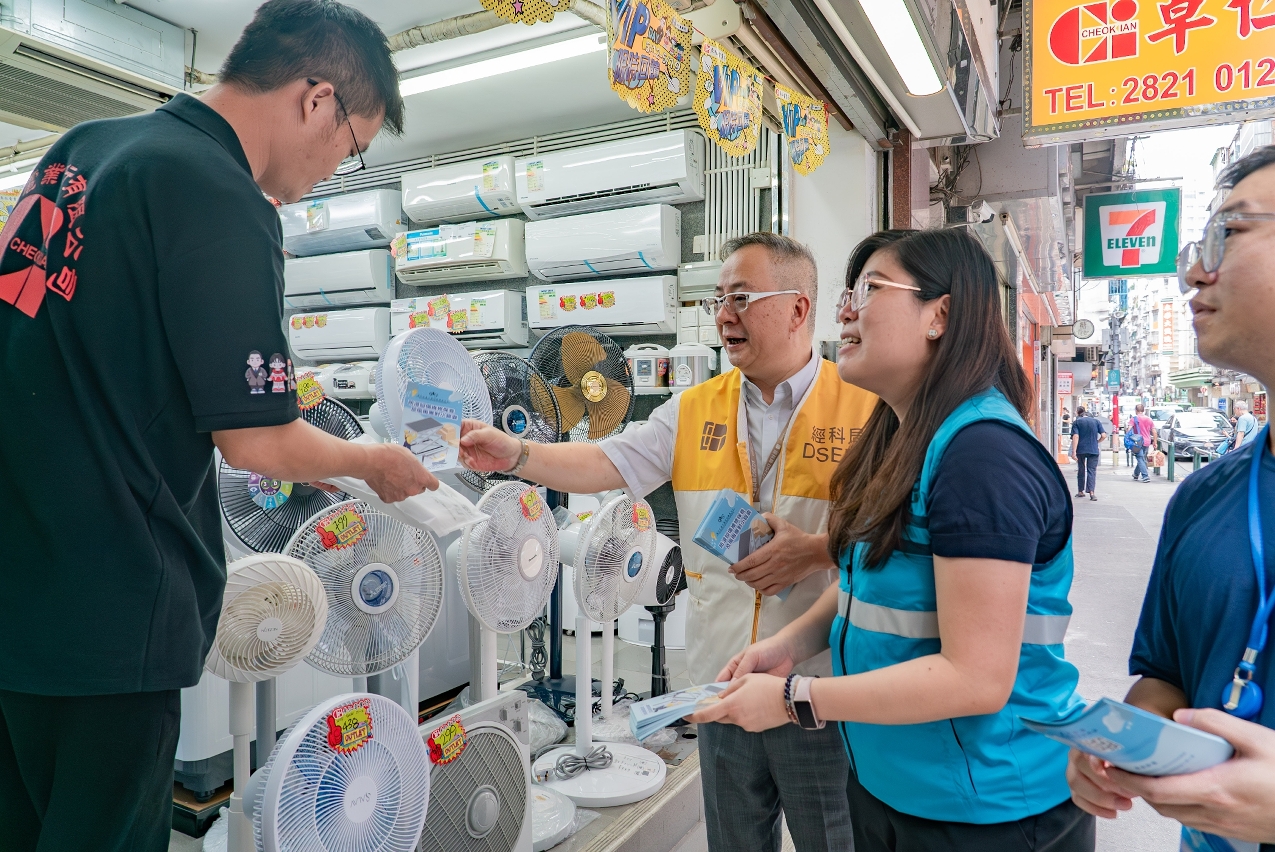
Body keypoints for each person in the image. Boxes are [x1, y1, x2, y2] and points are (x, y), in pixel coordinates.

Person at [0, 3, 436, 850]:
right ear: (317, 99)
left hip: (19, 588)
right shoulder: (220, 193)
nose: (331, 171)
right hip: (113, 605)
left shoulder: (82, 151)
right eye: (350, 147)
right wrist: (369, 461)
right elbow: (259, 443)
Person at [460, 232, 878, 852]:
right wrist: (518, 454)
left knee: (832, 840)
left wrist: (818, 550)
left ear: (798, 308)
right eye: (718, 299)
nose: (724, 315)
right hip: (719, 681)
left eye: (741, 297)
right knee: (734, 841)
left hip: (816, 687)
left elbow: (895, 538)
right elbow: (606, 460)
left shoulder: (867, 408)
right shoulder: (693, 409)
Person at [687, 228, 1093, 851]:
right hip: (894, 787)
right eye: (847, 293)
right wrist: (788, 648)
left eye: (869, 290)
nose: (844, 311)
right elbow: (863, 582)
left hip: (987, 809)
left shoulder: (981, 455)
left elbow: (976, 678)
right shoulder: (899, 438)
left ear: (940, 315)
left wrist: (796, 699)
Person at [1066, 144, 1275, 851]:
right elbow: (1168, 678)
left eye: (1229, 233)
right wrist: (1120, 743)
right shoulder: (1204, 494)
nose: (1193, 272)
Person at [1071, 405, 1106, 501]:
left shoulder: (1077, 422)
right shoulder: (1096, 422)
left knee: (1081, 469)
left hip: (1081, 449)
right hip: (1093, 450)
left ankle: (1080, 491)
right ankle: (1092, 492)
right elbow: (1103, 435)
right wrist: (1097, 442)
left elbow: (1075, 437)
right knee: (1092, 470)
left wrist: (1073, 452)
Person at [1129, 403, 1154, 482]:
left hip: (1137, 442)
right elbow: (1154, 431)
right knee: (1142, 459)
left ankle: (1145, 476)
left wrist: (1129, 439)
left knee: (1140, 459)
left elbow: (1129, 430)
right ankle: (1136, 474)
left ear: (1136, 410)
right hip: (1147, 442)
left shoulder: (1134, 419)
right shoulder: (1149, 419)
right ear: (1143, 410)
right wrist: (1155, 442)